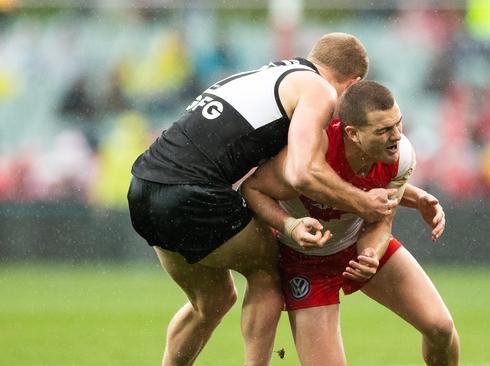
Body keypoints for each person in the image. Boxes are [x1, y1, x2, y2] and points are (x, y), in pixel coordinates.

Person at [126, 33, 398, 366]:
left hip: (143, 187)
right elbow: (303, 172)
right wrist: (362, 203)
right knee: (266, 270)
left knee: (211, 302)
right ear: (353, 83)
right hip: (191, 192)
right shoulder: (319, 90)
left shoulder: (267, 74)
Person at [242, 80, 460, 366]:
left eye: (398, 123)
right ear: (353, 134)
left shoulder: (401, 156)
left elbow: (381, 220)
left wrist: (372, 253)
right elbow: (253, 189)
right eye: (383, 130)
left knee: (441, 328)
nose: (396, 136)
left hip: (354, 246)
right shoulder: (312, 151)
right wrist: (289, 225)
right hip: (304, 263)